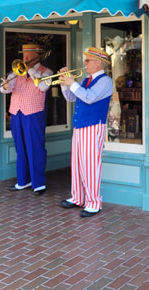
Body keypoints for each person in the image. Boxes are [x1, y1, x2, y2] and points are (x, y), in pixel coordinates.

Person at [59, 47, 113, 217]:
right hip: (80, 125)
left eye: (88, 60)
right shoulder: (85, 80)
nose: (85, 63)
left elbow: (89, 97)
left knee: (90, 165)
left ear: (99, 63)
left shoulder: (105, 81)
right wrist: (64, 84)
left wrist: (72, 83)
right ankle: (77, 197)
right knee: (77, 164)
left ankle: (94, 202)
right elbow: (71, 98)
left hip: (93, 126)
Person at [0, 44, 52, 196]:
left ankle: (38, 183)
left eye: (28, 56)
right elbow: (5, 90)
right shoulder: (16, 71)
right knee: (20, 148)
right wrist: (4, 85)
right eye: (24, 56)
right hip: (16, 112)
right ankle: (23, 180)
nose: (25, 58)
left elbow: (43, 86)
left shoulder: (46, 71)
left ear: (37, 55)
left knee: (35, 147)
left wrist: (30, 69)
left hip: (34, 113)